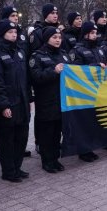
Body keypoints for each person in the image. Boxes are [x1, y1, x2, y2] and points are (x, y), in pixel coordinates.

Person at [0, 20, 32, 179]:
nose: (14, 35)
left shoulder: (20, 52)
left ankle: (17, 166)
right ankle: (8, 170)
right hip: (8, 103)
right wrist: (3, 105)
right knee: (7, 139)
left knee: (21, 136)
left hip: (22, 101)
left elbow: (26, 78)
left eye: (15, 32)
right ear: (2, 34)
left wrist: (30, 98)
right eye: (10, 32)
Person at [29, 27, 70, 173]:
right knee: (47, 133)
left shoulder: (64, 55)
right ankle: (47, 161)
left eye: (59, 37)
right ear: (47, 39)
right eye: (54, 37)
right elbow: (36, 77)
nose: (58, 40)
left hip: (62, 100)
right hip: (46, 101)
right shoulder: (37, 56)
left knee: (57, 132)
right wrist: (53, 71)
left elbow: (76, 71)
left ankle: (55, 159)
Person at [72, 21, 107, 160]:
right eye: (92, 33)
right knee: (85, 121)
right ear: (86, 34)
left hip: (97, 90)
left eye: (96, 33)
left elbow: (103, 63)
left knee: (94, 120)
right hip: (84, 91)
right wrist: (96, 65)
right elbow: (77, 70)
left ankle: (91, 147)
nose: (95, 35)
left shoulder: (99, 49)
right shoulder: (77, 50)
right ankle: (83, 150)